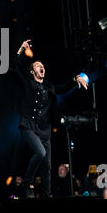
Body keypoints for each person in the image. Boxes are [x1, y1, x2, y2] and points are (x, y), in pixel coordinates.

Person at [9, 39, 88, 198]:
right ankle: (26, 182)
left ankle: (47, 194)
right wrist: (20, 50)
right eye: (38, 66)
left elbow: (63, 87)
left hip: (45, 130)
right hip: (28, 126)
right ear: (32, 71)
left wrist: (75, 79)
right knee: (40, 152)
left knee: (47, 166)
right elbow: (12, 67)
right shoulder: (27, 83)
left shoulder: (49, 87)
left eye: (42, 66)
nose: (41, 67)